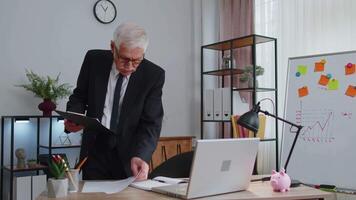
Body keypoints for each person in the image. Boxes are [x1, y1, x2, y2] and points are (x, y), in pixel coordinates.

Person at [64, 22, 165, 181]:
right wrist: (74, 116)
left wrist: (142, 155)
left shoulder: (153, 75)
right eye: (124, 59)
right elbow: (79, 96)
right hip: (95, 151)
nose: (130, 67)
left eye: (137, 61)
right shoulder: (94, 60)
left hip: (130, 157)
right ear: (113, 47)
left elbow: (151, 123)